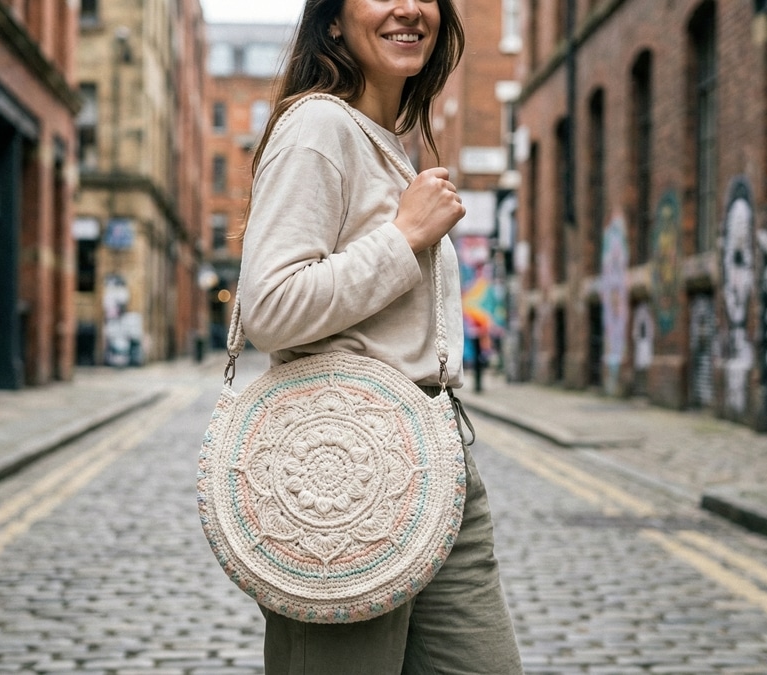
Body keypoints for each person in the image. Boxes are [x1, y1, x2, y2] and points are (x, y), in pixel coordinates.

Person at [236, 0, 524, 672]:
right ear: (333, 20)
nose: (409, 7)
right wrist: (405, 237)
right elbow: (270, 306)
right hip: (344, 479)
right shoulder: (316, 128)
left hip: (437, 463)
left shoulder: (384, 141)